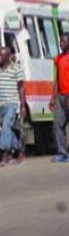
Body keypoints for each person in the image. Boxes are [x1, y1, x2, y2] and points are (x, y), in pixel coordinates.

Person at [0, 46, 26, 166]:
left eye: (2, 55)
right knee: (6, 129)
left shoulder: (16, 69)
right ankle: (19, 150)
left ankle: (5, 155)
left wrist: (23, 106)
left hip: (12, 104)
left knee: (7, 126)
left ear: (8, 57)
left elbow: (21, 88)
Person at [49, 32, 69, 163]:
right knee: (57, 124)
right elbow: (56, 79)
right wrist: (53, 97)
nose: (62, 44)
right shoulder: (58, 59)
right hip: (61, 96)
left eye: (64, 41)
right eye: (61, 41)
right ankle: (63, 153)